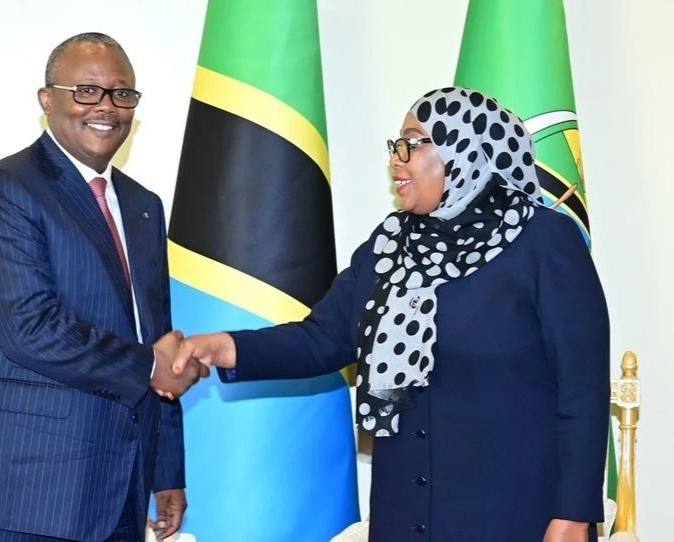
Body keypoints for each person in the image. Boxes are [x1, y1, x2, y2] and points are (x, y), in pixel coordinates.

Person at [173, 87, 610, 542]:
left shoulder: (544, 242)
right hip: (406, 512)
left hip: (514, 511)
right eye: (395, 146)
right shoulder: (389, 246)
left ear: (464, 148)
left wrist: (574, 513)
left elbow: (582, 390)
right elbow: (321, 338)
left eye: (411, 143)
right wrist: (223, 347)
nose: (396, 160)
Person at [0, 32, 208, 542]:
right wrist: (152, 365)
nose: (107, 107)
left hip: (117, 489)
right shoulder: (4, 189)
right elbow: (30, 328)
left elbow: (155, 334)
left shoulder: (144, 206)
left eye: (122, 94)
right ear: (47, 100)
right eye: (87, 91)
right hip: (12, 494)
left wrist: (166, 471)